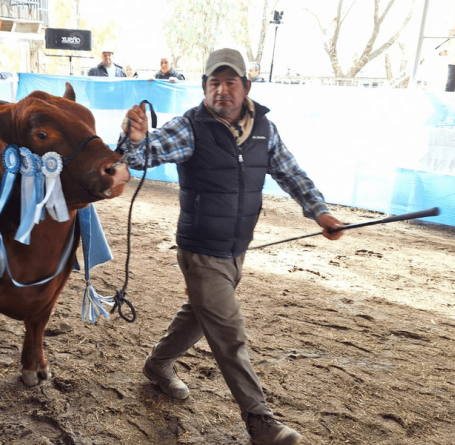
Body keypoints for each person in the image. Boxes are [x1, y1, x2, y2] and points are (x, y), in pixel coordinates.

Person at [119, 48, 344, 445]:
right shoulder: (190, 126)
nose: (222, 90)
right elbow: (143, 155)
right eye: (214, 83)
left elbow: (291, 172)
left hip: (237, 248)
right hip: (201, 249)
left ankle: (157, 365)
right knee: (229, 332)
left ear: (247, 86)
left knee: (199, 315)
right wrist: (134, 139)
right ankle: (260, 421)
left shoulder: (264, 129)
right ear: (204, 86)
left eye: (230, 82)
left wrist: (320, 212)